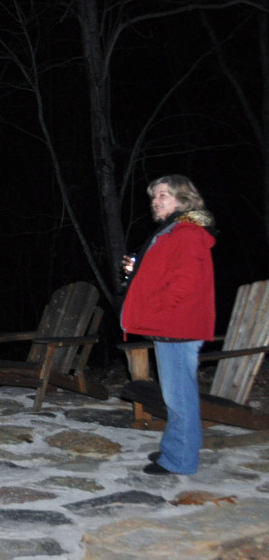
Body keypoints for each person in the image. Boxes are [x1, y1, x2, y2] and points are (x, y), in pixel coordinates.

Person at [121, 174, 216, 475]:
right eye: (153, 196)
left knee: (179, 396)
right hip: (171, 326)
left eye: (163, 195)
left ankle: (180, 460)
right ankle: (175, 450)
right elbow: (164, 273)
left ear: (183, 198)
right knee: (174, 394)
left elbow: (184, 284)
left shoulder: (186, 233)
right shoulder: (172, 232)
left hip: (177, 326)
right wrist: (136, 270)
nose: (156, 201)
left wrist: (155, 307)